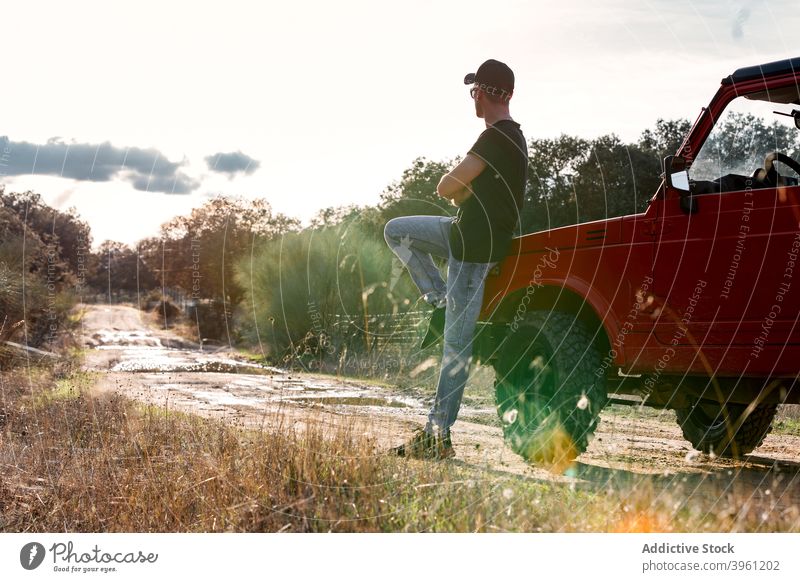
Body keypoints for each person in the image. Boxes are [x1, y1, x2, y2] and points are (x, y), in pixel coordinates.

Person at [384, 59, 528, 459]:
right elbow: (458, 192)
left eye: (475, 92)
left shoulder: (496, 139)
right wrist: (464, 194)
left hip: (472, 250)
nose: (474, 99)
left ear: (481, 93)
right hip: (462, 233)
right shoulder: (514, 139)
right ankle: (439, 298)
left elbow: (447, 185)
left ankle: (437, 436)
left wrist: (462, 192)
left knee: (456, 346)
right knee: (397, 230)